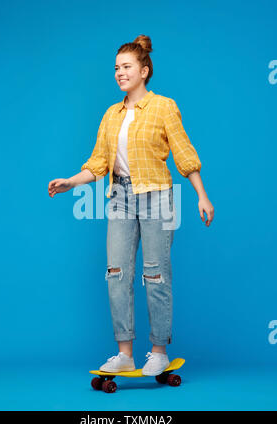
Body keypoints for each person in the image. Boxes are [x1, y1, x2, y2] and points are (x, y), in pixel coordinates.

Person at [48, 34, 214, 376]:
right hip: (120, 197)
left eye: (126, 67)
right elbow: (98, 163)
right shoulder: (111, 114)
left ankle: (158, 351)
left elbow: (184, 153)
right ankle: (124, 353)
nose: (119, 73)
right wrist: (70, 182)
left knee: (155, 274)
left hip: (157, 196)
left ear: (144, 70)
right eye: (116, 68)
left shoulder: (164, 106)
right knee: (116, 273)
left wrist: (201, 194)